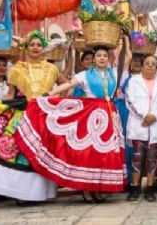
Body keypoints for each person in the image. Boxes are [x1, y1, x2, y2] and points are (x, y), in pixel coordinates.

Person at [0, 31, 61, 203]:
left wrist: (55, 99)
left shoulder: (52, 68)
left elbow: (64, 85)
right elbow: (10, 93)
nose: (35, 48)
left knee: (42, 151)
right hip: (25, 113)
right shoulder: (16, 69)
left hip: (45, 114)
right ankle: (23, 194)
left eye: (39, 45)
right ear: (26, 48)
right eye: (32, 45)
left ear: (43, 48)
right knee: (24, 152)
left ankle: (41, 193)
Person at [52, 46, 124, 203]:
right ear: (94, 59)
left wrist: (124, 39)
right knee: (91, 152)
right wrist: (49, 94)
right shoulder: (85, 75)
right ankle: (86, 189)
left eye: (105, 55)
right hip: (93, 115)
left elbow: (127, 56)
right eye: (99, 55)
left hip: (110, 114)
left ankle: (99, 189)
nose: (102, 58)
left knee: (105, 154)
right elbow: (68, 85)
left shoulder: (113, 73)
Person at [125, 54, 157, 202]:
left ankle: (150, 189)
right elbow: (130, 101)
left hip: (154, 125)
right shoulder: (134, 81)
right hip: (139, 124)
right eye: (147, 63)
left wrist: (154, 115)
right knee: (137, 158)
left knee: (152, 159)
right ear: (142, 66)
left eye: (153, 63)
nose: (150, 65)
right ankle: (134, 189)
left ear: (156, 67)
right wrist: (144, 115)